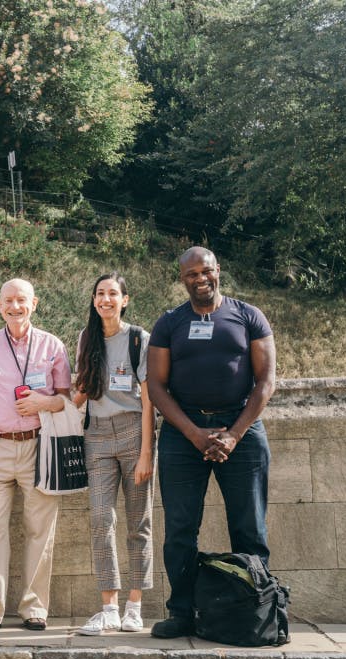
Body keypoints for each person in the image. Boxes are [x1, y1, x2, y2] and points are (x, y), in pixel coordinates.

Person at [147, 247, 276, 638]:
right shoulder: (170, 323)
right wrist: (194, 434)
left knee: (249, 526)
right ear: (182, 278)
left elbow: (265, 381)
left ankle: (256, 610)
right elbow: (156, 386)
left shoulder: (248, 316)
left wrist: (233, 434)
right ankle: (183, 612)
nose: (200, 278)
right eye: (191, 274)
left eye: (206, 271)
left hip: (242, 429)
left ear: (218, 271)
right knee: (181, 529)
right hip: (183, 433)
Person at [0, 279, 72, 632]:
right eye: (8, 300)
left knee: (40, 529)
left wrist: (45, 402)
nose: (15, 306)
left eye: (21, 300)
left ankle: (34, 608)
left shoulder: (53, 346)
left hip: (40, 446)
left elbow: (68, 400)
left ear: (34, 303)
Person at [72, 272, 156, 636]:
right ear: (93, 300)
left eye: (112, 294)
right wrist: (47, 402)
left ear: (125, 299)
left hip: (134, 429)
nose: (105, 299)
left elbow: (150, 400)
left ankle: (134, 608)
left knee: (139, 523)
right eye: (99, 294)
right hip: (98, 436)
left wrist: (145, 452)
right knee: (100, 519)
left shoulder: (139, 339)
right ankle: (108, 607)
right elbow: (78, 393)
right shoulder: (86, 338)